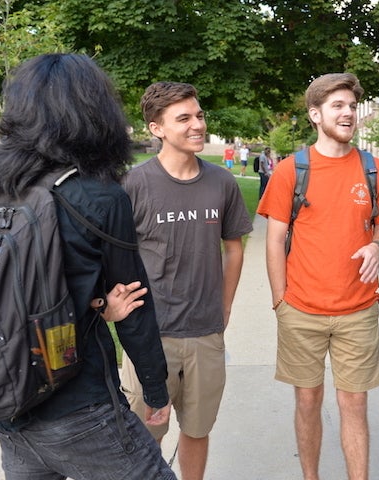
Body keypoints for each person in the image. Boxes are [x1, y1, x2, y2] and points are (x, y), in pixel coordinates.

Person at [0, 53, 176, 479]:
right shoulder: (101, 197)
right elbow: (135, 303)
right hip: (80, 406)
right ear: (94, 112)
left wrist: (92, 306)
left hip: (9, 402)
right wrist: (156, 389)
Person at [256, 73, 379, 480]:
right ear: (315, 114)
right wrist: (279, 300)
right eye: (337, 106)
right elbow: (275, 239)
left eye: (352, 106)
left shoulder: (375, 169)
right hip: (301, 309)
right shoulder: (291, 170)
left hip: (358, 309)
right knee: (307, 400)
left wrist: (378, 245)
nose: (348, 113)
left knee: (354, 404)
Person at [121, 81, 253, 480]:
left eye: (199, 115)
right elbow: (114, 256)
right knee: (148, 432)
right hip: (149, 335)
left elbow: (234, 247)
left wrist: (225, 306)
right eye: (184, 118)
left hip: (205, 335)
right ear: (156, 127)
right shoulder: (133, 184)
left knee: (197, 430)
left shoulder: (222, 183)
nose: (198, 124)